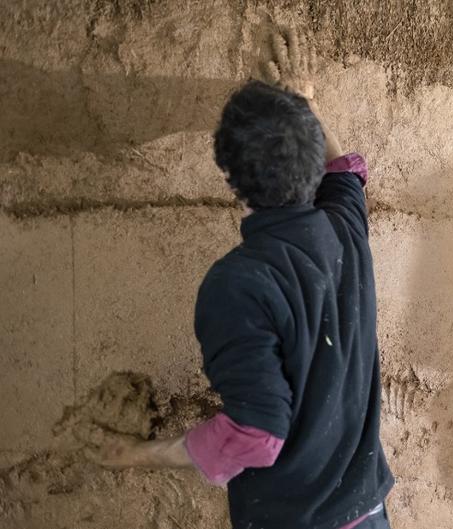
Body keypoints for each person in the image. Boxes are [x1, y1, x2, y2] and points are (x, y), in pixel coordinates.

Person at [89, 29, 395, 529]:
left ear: (233, 181)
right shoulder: (345, 230)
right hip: (369, 513)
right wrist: (304, 103)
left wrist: (135, 455)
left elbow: (256, 436)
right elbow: (344, 171)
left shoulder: (238, 286)